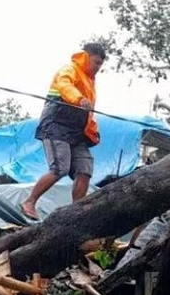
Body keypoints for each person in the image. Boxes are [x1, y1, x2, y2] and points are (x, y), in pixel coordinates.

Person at [21, 43, 106, 220]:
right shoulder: (70, 70)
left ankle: (77, 213)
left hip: (76, 133)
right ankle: (29, 201)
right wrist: (79, 99)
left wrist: (92, 131)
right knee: (60, 167)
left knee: (85, 168)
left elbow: (88, 113)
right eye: (96, 62)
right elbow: (65, 86)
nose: (98, 68)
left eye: (100, 64)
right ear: (86, 57)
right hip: (56, 125)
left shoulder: (90, 82)